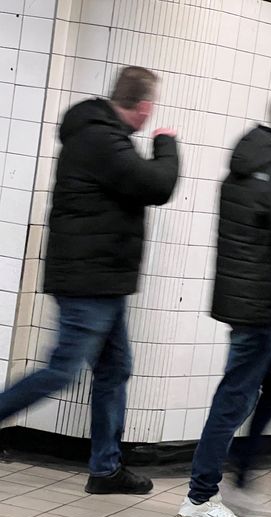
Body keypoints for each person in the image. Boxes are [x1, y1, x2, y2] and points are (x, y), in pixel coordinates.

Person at [0, 66, 179, 494]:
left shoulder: (99, 134)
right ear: (144, 106)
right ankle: (104, 467)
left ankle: (105, 470)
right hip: (89, 280)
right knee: (63, 369)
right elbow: (157, 184)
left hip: (103, 279)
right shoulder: (101, 138)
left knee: (116, 369)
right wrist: (166, 144)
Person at [177, 94, 271, 517]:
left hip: (242, 298)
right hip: (260, 306)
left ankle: (238, 479)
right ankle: (200, 496)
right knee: (233, 398)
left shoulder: (243, 165)